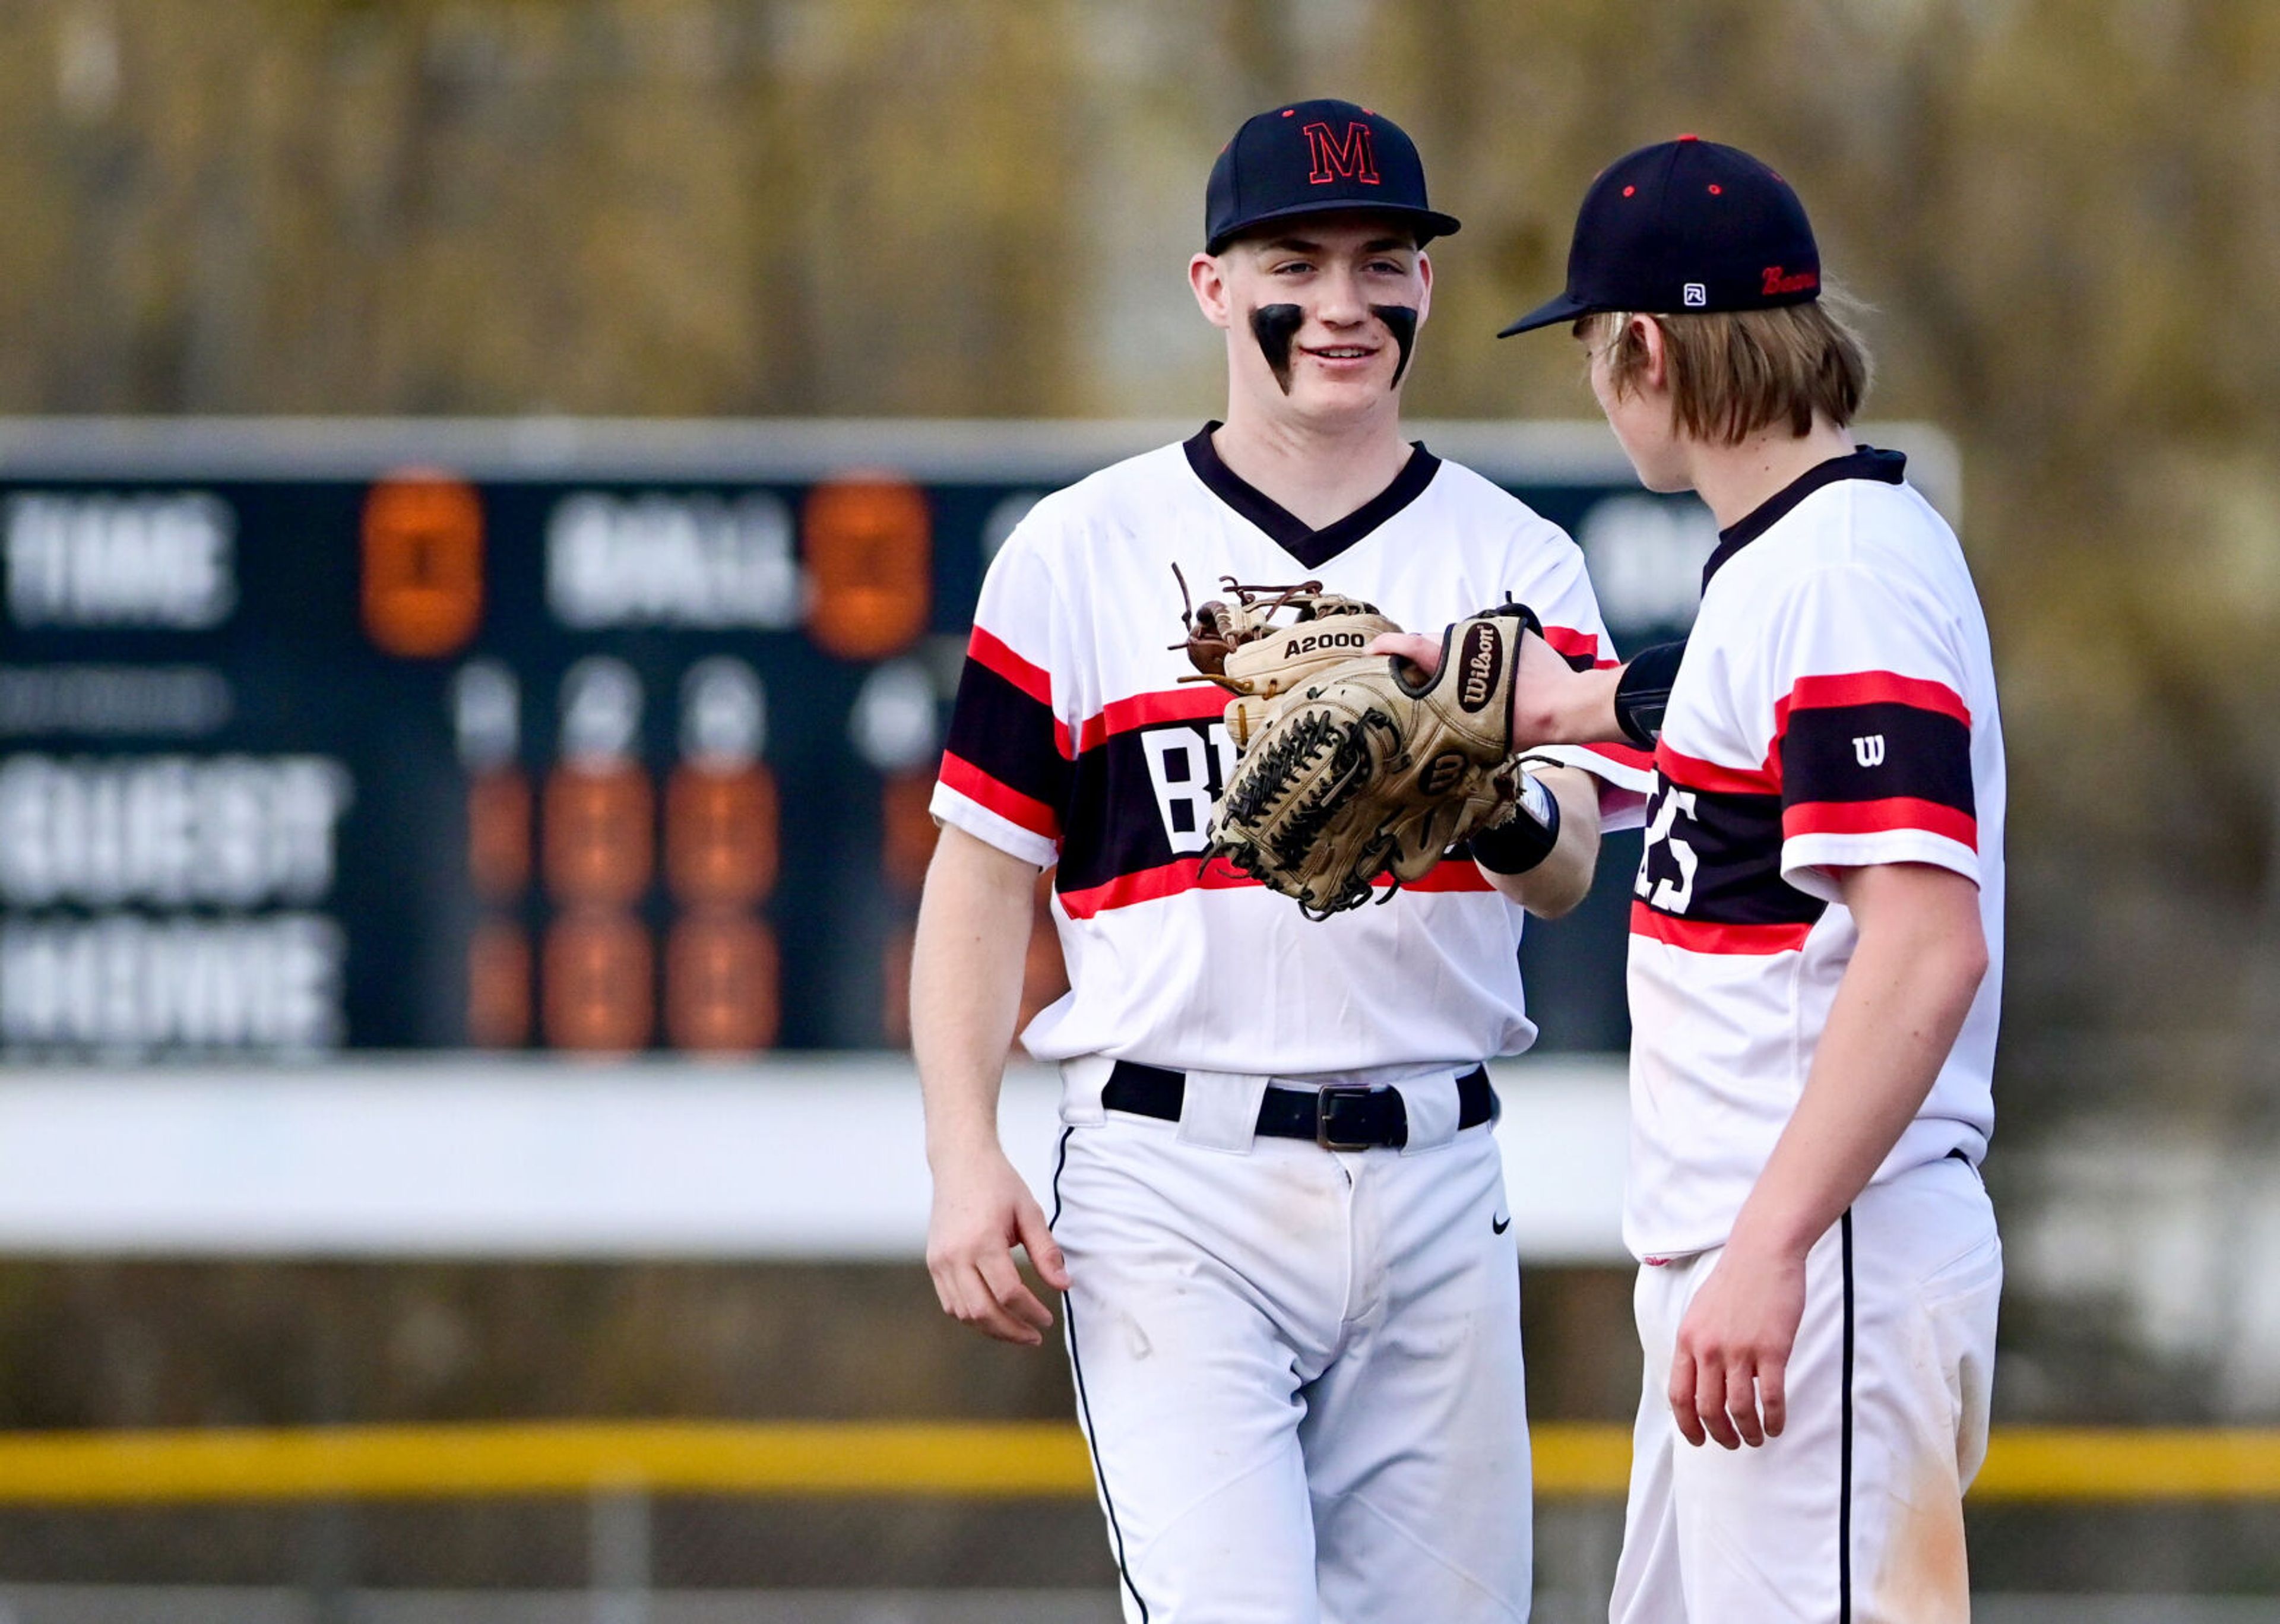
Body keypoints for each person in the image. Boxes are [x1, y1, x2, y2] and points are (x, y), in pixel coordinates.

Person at [913, 99, 1649, 1623]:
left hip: (1439, 1172)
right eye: (1293, 264)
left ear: (1427, 290)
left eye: (1384, 262)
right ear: (1211, 287)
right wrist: (960, 1151)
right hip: (1171, 1179)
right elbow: (981, 882)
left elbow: (1572, 864)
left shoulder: (1515, 560)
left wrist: (1470, 787)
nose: (1342, 303)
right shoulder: (1080, 551)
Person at [1388, 135, 2005, 1620]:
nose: (1603, 390)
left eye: (1598, 352)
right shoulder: (1792, 554)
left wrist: (1774, 1250)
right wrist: (1548, 705)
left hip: (1821, 1252)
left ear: (1649, 350)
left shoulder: (1838, 572)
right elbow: (1730, 726)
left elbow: (1929, 949)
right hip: (1770, 1261)